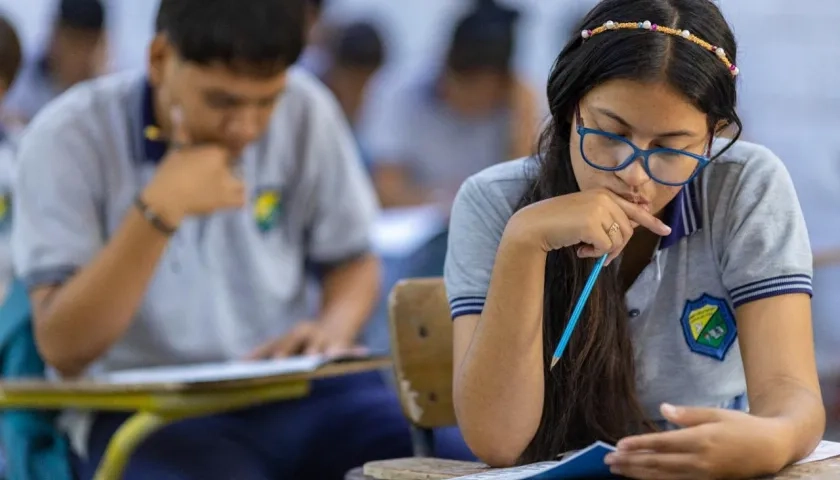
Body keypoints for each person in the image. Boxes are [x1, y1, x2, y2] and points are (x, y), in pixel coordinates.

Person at [10, 0, 420, 478]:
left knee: (441, 457)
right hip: (143, 409)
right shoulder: (68, 135)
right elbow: (64, 345)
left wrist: (332, 326)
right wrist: (159, 210)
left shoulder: (306, 107)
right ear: (160, 59)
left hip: (293, 391)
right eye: (221, 101)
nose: (245, 127)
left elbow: (353, 261)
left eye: (266, 101)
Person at [444, 0, 825, 478]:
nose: (633, 175)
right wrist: (524, 241)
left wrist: (773, 440)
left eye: (669, 147)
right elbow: (497, 442)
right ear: (569, 110)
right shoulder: (494, 203)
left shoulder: (745, 186)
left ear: (712, 138)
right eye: (610, 132)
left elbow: (792, 395)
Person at [364, 0, 539, 209]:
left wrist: (524, 116)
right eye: (467, 89)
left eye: (483, 96)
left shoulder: (519, 100)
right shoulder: (399, 92)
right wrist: (441, 201)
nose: (472, 105)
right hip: (422, 222)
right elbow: (385, 190)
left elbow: (527, 193)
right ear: (446, 69)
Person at [3, 0, 105, 122]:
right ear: (55, 33)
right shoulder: (18, 75)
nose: (79, 56)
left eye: (88, 46)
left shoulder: (103, 97)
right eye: (74, 43)